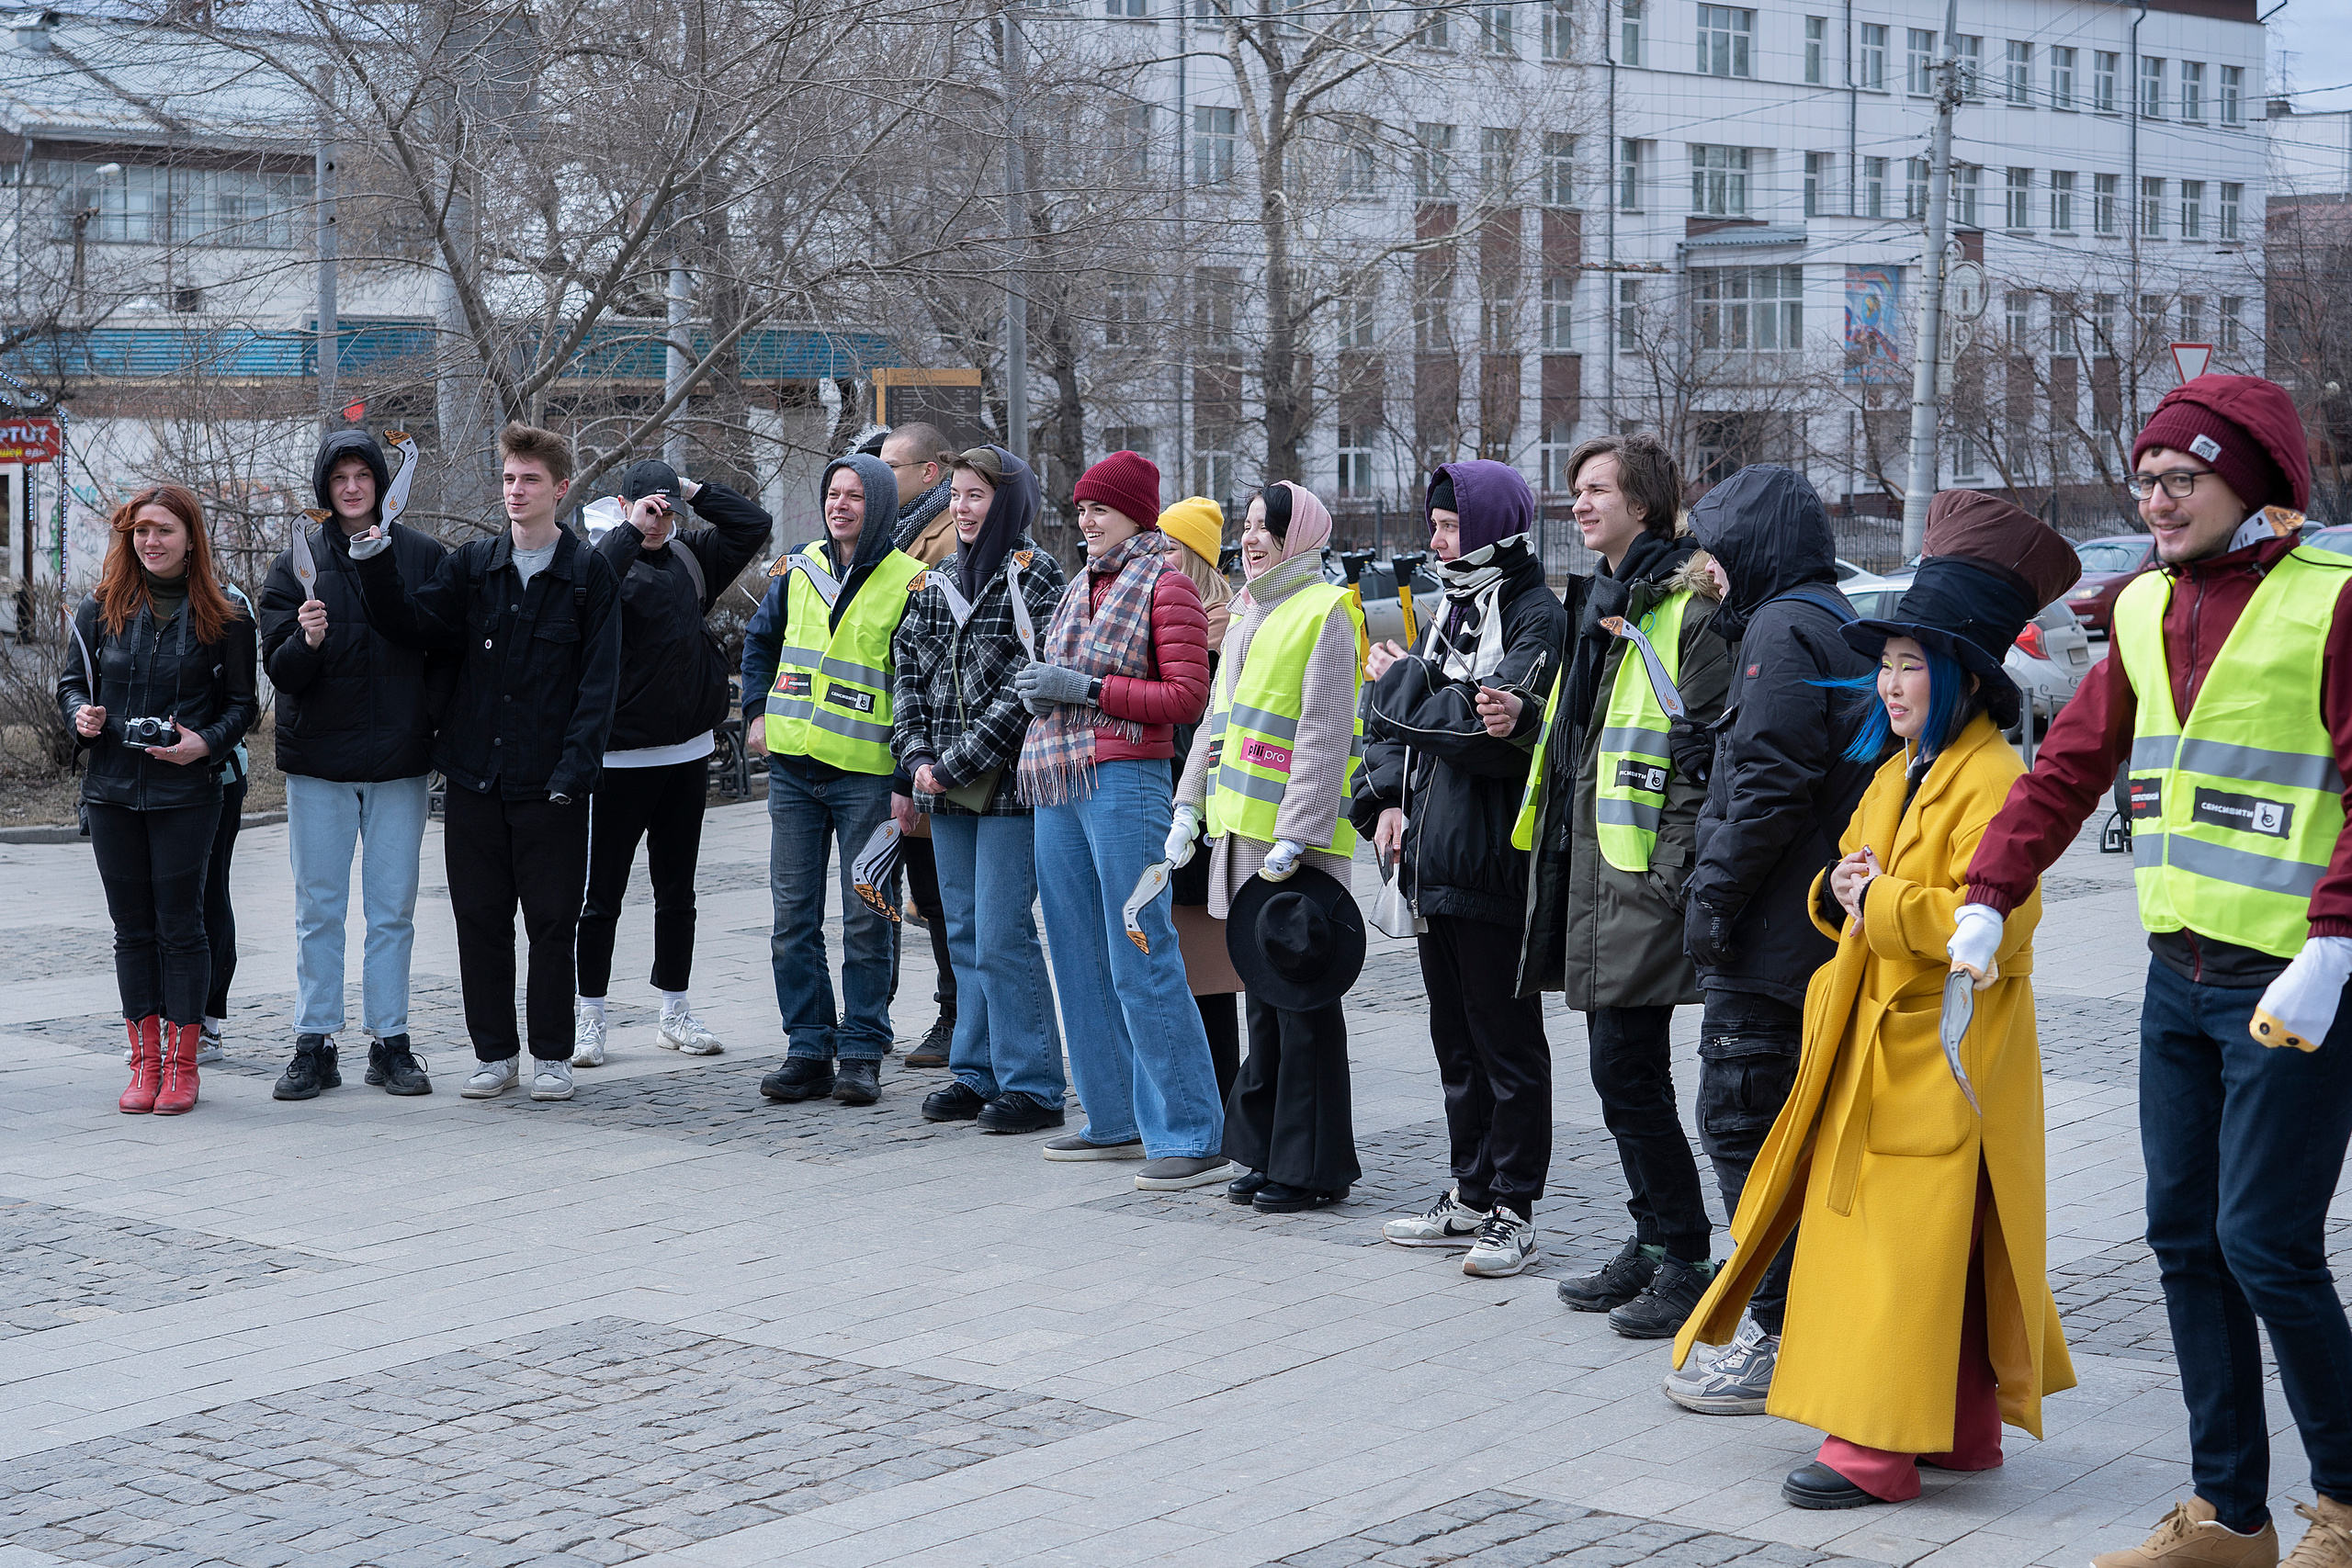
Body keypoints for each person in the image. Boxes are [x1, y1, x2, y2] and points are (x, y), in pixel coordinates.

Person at [1957, 376, 2352, 1568]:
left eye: (2182, 477)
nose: (2158, 498)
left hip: (2295, 979)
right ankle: (2231, 1513)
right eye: (2147, 479)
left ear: (2253, 482)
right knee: (2182, 1235)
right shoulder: (2143, 611)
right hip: (2176, 978)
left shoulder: (2331, 604)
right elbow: (2067, 767)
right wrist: (1988, 890)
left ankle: (2342, 1500)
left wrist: (2335, 942)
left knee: (2266, 1240)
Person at [1674, 490, 2079, 1511]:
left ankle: (1871, 1448)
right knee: (1924, 1253)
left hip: (1937, 1061)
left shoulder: (1990, 778)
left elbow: (1997, 928)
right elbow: (1848, 880)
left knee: (1893, 1257)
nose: (1888, 682)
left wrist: (1876, 898)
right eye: (1887, 662)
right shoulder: (1912, 767)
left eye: (1909, 665)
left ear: (1960, 677)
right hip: (1886, 1051)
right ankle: (1954, 1431)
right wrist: (1839, 892)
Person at [1660, 465, 1877, 1413]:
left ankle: (1776, 1334)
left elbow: (1766, 783)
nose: (1704, 566)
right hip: (1811, 932)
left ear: (1753, 544)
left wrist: (1709, 903)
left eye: (1714, 546)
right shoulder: (1822, 616)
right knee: (1786, 1135)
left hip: (1772, 939)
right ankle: (1799, 1323)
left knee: (1745, 1129)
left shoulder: (1784, 629)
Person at [1508, 434, 1728, 1331]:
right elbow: (1585, 740)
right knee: (1618, 1075)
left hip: (1640, 878)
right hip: (1596, 871)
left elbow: (1704, 752)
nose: (1580, 502)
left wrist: (1675, 867)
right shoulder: (1601, 600)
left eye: (1597, 488)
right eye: (1574, 490)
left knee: (1627, 1073)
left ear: (1645, 505)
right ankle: (1650, 1241)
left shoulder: (1686, 608)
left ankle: (1683, 1256)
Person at [353, 423, 622, 1103]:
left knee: (553, 923)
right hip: (475, 776)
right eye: (508, 478)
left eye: (529, 479)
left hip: (551, 786)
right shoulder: (473, 565)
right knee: (479, 919)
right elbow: (413, 625)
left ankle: (553, 1056)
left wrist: (574, 772)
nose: (515, 490)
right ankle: (495, 1053)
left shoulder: (589, 576)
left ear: (559, 489)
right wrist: (376, 559)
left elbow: (599, 686)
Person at [1356, 459, 1567, 1277]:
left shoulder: (1534, 613)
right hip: (1435, 857)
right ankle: (1471, 1189)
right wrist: (1386, 802)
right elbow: (1401, 732)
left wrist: (1399, 683)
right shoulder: (1454, 607)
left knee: (1506, 1043)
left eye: (1449, 527)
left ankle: (1515, 1206)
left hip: (1495, 860)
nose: (1437, 542)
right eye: (1435, 526)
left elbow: (1477, 731)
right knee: (1456, 1040)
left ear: (1489, 530)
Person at [1016, 449, 1226, 1190]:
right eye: (1080, 508)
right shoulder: (1080, 586)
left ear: (1137, 511)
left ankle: (1192, 1131)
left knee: (1142, 950)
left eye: (1100, 507)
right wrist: (1046, 694)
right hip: (1061, 779)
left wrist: (1086, 687)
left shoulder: (1166, 585)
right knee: (1075, 955)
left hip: (1128, 779)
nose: (1087, 519)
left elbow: (1186, 699)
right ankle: (1114, 1121)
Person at [1172, 481, 1364, 1210]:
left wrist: (1298, 831)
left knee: (1303, 1006)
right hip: (1241, 840)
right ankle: (1263, 1152)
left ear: (1301, 536)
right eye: (1248, 525)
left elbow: (1324, 732)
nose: (1251, 538)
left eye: (1266, 527)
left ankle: (1311, 1168)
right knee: (1264, 1001)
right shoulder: (1251, 609)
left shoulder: (1325, 611)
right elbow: (1216, 725)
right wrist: (1188, 804)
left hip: (1294, 851)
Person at [256, 430, 451, 1100]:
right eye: (338, 477)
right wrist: (306, 642)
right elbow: (278, 669)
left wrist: (432, 727)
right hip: (319, 764)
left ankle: (390, 1042)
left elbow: (439, 642)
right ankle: (315, 1041)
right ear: (324, 487)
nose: (350, 487)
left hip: (399, 760)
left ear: (380, 481)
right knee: (319, 908)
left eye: (362, 474)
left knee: (393, 909)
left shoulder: (422, 555)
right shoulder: (297, 562)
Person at [59, 483, 257, 1115]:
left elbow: (243, 707)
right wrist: (80, 718)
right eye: (142, 530)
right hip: (113, 789)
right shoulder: (101, 608)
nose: (151, 541)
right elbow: (70, 685)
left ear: (190, 537)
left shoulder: (227, 614)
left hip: (187, 792)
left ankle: (183, 1063)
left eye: (164, 530)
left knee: (182, 925)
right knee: (132, 930)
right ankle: (144, 1062)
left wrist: (206, 745)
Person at [571, 459, 772, 1068]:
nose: (659, 521)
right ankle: (590, 1017)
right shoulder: (597, 554)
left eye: (667, 512)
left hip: (687, 750)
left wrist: (689, 490)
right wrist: (632, 525)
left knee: (676, 893)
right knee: (600, 894)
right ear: (621, 506)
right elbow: (584, 594)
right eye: (646, 509)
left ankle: (675, 1011)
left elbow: (754, 522)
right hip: (617, 758)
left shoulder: (690, 556)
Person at [891, 445, 1069, 1134]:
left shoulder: (1036, 574)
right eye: (957, 495)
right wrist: (916, 756)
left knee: (1002, 933)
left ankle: (1033, 1083)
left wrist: (957, 761)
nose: (963, 508)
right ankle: (975, 1069)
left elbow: (1029, 685)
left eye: (977, 495)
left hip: (1007, 788)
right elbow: (904, 668)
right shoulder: (934, 579)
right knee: (960, 930)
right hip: (941, 784)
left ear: (1008, 501)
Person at [742, 450, 928, 1107]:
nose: (839, 504)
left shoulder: (912, 581)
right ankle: (808, 1045)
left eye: (854, 494)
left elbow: (918, 686)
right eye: (833, 493)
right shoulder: (800, 568)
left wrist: (908, 773)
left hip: (868, 777)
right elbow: (760, 643)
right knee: (792, 916)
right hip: (794, 771)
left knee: (867, 913)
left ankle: (862, 1047)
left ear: (877, 504)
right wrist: (755, 709)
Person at [1159, 495, 1246, 1100]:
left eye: (1166, 545)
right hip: (1179, 806)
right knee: (1190, 968)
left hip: (1204, 814)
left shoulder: (1218, 626)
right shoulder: (1181, 614)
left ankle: (1219, 1094)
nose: (1155, 557)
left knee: (1207, 974)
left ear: (1191, 556)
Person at [881, 422, 961, 1066]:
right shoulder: (898, 531)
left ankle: (957, 1014)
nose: (883, 478)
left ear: (929, 472)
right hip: (902, 740)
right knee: (923, 890)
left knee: (942, 895)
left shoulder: (939, 540)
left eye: (894, 467)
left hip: (936, 746)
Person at [198, 581, 254, 1068]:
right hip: (144, 775)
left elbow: (244, 703)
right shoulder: (123, 598)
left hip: (217, 773)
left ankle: (209, 1020)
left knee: (210, 890)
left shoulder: (230, 603)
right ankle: (161, 1016)